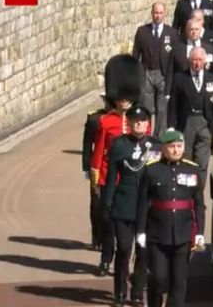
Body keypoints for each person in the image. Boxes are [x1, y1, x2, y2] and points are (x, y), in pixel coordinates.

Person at [90, 54, 148, 276]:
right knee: (107, 222)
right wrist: (96, 178)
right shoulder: (106, 122)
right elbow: (99, 152)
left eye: (126, 97)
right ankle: (106, 257)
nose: (123, 101)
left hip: (132, 183)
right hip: (109, 179)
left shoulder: (140, 123)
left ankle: (124, 260)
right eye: (120, 97)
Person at [136, 130, 205, 307]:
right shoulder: (151, 170)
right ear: (164, 148)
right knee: (158, 277)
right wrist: (140, 231)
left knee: (179, 281)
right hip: (157, 233)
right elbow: (143, 203)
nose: (176, 150)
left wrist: (200, 232)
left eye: (179, 146)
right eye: (172, 146)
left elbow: (198, 204)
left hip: (183, 234)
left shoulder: (192, 169)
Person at [103, 106, 160, 307]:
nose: (139, 124)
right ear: (129, 123)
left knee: (143, 251)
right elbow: (111, 178)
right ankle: (119, 292)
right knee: (124, 249)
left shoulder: (155, 146)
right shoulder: (119, 145)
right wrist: (107, 203)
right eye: (135, 121)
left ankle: (137, 292)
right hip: (124, 203)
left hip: (146, 205)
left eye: (142, 121)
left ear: (148, 124)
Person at [167, 47, 213, 186]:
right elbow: (173, 104)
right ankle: (185, 191)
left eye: (199, 60)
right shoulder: (180, 78)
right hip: (186, 123)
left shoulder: (212, 78)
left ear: (204, 61)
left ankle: (198, 193)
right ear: (189, 61)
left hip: (205, 123)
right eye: (194, 60)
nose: (197, 63)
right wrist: (170, 126)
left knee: (202, 163)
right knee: (186, 159)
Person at [132, 2, 176, 136]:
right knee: (146, 107)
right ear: (151, 13)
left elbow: (174, 58)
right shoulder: (142, 31)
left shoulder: (172, 33)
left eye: (160, 13)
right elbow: (135, 55)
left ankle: (159, 139)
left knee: (162, 110)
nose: (158, 16)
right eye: (156, 13)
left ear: (165, 14)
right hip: (147, 74)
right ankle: (145, 136)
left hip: (164, 75)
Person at [81, 93, 110, 251]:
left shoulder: (126, 119)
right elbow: (87, 146)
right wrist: (87, 167)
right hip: (98, 168)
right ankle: (97, 236)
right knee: (97, 204)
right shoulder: (94, 119)